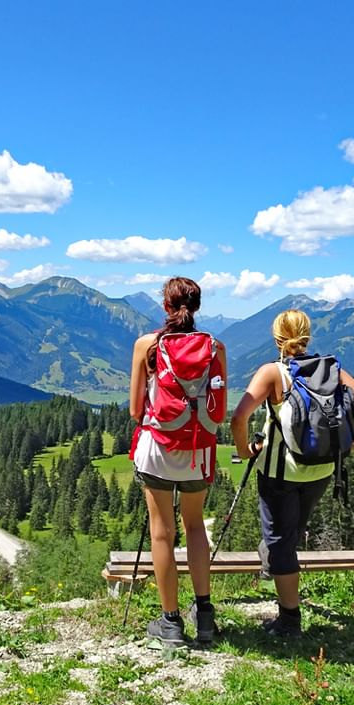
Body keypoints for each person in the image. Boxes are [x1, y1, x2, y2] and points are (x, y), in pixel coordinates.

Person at [230, 309, 354, 637]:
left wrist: (244, 453)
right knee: (289, 534)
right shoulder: (330, 370)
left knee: (281, 543)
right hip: (321, 469)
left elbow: (238, 418)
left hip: (279, 471)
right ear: (308, 335)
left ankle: (289, 620)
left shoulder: (273, 373)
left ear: (276, 337)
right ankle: (276, 563)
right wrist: (347, 447)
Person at [129, 276, 227, 646]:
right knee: (195, 527)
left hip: (158, 447)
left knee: (161, 532)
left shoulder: (147, 345)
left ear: (165, 307)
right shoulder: (216, 347)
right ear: (196, 306)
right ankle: (204, 616)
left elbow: (136, 409)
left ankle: (170, 623)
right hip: (198, 450)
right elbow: (218, 409)